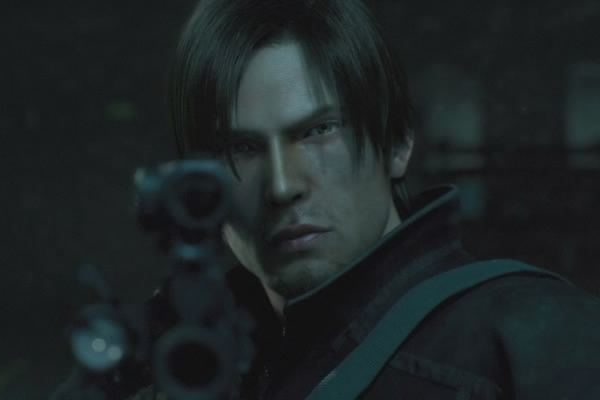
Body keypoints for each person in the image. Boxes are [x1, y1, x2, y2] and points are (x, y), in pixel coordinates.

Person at [53, 0, 600, 399]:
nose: (282, 185)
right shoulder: (169, 358)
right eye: (242, 148)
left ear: (396, 142)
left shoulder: (538, 339)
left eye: (319, 131)